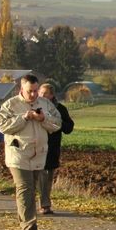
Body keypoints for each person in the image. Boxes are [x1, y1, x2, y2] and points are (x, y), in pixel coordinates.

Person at [0, 74, 62, 230]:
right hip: (18, 154)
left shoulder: (45, 103)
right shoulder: (10, 105)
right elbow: (2, 126)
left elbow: (57, 123)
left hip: (39, 154)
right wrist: (24, 117)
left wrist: (43, 119)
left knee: (32, 188)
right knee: (24, 187)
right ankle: (28, 224)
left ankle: (27, 220)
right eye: (29, 91)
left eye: (35, 91)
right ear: (21, 89)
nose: (33, 94)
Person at [36, 83, 75, 215]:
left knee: (48, 176)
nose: (42, 95)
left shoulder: (60, 109)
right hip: (37, 145)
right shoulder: (35, 107)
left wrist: (57, 123)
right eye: (41, 93)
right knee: (40, 174)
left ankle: (44, 203)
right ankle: (43, 204)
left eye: (45, 93)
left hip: (52, 147)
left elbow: (69, 127)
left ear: (52, 95)